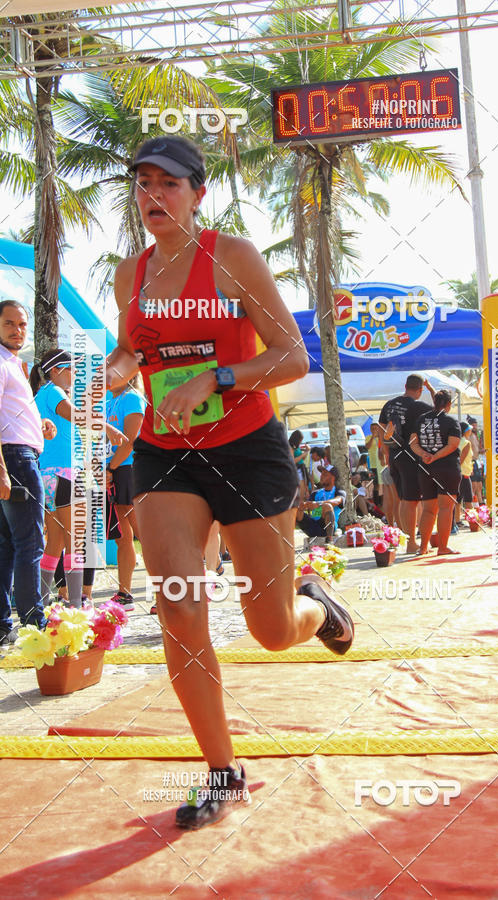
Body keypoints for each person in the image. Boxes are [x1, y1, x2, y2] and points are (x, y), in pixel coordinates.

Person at [103, 135, 354, 829]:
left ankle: (318, 606)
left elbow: (292, 357)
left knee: (271, 631)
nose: (154, 195)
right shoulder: (131, 275)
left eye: (169, 184)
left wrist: (215, 377)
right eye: (143, 183)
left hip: (248, 450)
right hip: (165, 452)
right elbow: (134, 350)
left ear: (198, 193)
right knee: (179, 608)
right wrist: (116, 372)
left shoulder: (232, 257)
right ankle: (222, 770)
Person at [31, 349, 124, 608]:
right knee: (76, 539)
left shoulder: (43, 394)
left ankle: (38, 607)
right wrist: (108, 427)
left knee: (56, 541)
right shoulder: (55, 393)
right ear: (57, 370)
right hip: (64, 474)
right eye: (71, 368)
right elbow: (77, 417)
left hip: (48, 475)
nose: (75, 373)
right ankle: (75, 606)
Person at [0, 301, 56, 642]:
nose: (17, 329)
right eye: (9, 323)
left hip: (19, 455)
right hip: (15, 460)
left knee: (8, 545)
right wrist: (3, 469)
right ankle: (35, 625)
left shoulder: (15, 365)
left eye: (22, 324)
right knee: (31, 543)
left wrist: (40, 424)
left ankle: (4, 626)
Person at [379, 374, 435, 553]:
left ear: (405, 385)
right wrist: (431, 388)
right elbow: (440, 409)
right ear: (420, 390)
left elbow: (382, 431)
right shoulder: (418, 406)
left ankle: (407, 539)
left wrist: (387, 454)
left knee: (404, 499)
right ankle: (411, 543)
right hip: (411, 457)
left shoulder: (389, 405)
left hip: (394, 457)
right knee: (411, 500)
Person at [105, 375, 146, 610]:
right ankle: (125, 593)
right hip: (115, 469)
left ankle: (167, 590)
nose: (107, 375)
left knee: (146, 534)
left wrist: (111, 467)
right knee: (122, 536)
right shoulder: (110, 401)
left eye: (112, 369)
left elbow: (131, 440)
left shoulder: (132, 397)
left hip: (130, 468)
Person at [410, 389, 461, 556]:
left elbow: (412, 443)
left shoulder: (421, 420)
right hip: (447, 468)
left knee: (428, 509)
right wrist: (435, 455)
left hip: (425, 469)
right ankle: (443, 547)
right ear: (448, 404)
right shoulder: (450, 421)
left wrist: (424, 454)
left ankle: (423, 547)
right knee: (446, 508)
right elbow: (453, 445)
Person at [296, 466, 346, 542]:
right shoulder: (316, 493)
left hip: (327, 527)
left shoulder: (339, 491)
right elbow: (309, 508)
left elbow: (337, 501)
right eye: (321, 474)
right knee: (295, 509)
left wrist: (318, 504)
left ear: (333, 478)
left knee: (327, 506)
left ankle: (329, 540)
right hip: (313, 526)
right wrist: (304, 505)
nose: (321, 476)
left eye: (325, 474)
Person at [456, 421, 474, 527]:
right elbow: (461, 459)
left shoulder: (457, 441)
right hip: (463, 474)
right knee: (468, 499)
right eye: (469, 429)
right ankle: (472, 520)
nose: (470, 431)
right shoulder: (466, 443)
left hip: (460, 473)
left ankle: (458, 521)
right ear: (465, 431)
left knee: (458, 499)